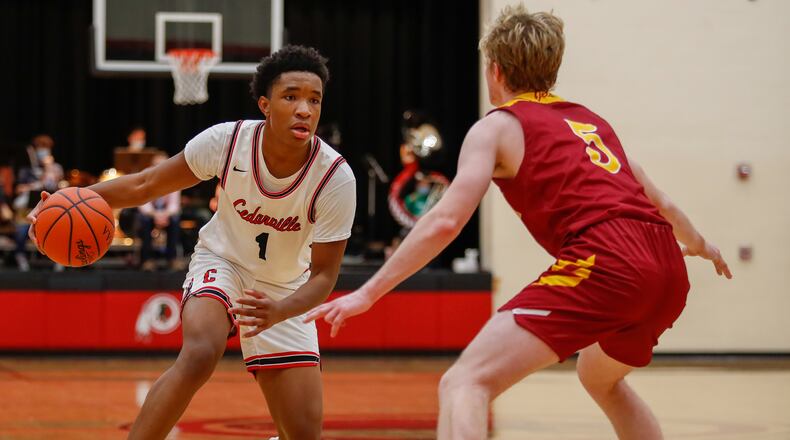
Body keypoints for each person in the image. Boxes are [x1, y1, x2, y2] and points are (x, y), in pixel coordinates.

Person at [305, 6, 731, 439]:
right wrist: (699, 245)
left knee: (464, 382)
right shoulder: (591, 123)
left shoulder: (498, 127)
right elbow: (661, 202)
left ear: (494, 70)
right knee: (600, 378)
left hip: (609, 260)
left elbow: (445, 221)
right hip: (666, 266)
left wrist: (368, 293)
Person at [29, 45, 355, 440]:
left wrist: (280, 310)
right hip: (223, 262)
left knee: (303, 434)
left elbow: (323, 276)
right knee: (201, 353)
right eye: (291, 97)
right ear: (266, 105)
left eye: (314, 100)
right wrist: (64, 203)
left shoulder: (335, 178)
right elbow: (144, 184)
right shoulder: (226, 142)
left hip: (286, 288)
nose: (305, 109)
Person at [14, 134, 63, 271]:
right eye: (40, 148)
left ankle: (60, 258)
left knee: (61, 230)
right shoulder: (27, 170)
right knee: (22, 231)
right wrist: (35, 185)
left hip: (51, 211)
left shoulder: (56, 168)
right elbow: (19, 189)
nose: (43, 151)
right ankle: (20, 257)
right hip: (28, 211)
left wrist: (49, 168)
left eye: (46, 148)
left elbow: (53, 186)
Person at [137, 152, 183, 271]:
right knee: (145, 220)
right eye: (157, 166)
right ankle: (147, 259)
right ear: (152, 167)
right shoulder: (145, 178)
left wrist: (165, 214)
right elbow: (143, 203)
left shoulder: (174, 178)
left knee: (175, 220)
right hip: (150, 213)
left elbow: (174, 205)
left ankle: (172, 258)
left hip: (166, 213)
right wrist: (155, 214)